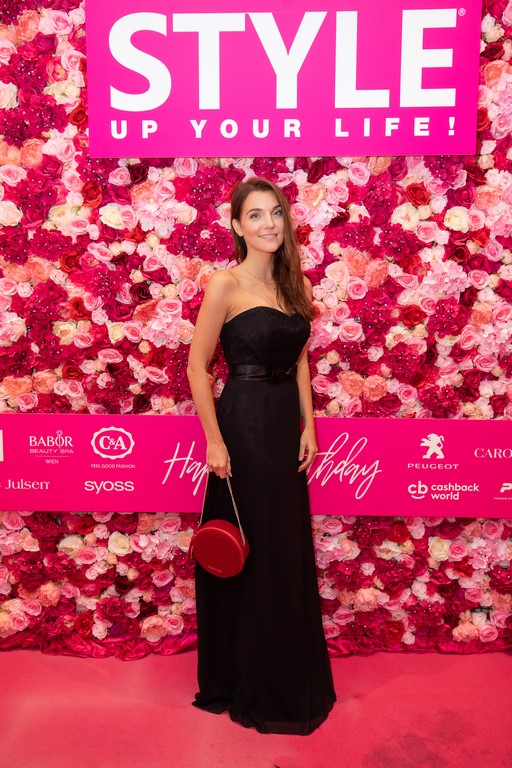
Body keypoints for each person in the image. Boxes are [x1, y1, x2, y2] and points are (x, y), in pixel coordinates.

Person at [186, 176, 336, 735]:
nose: (269, 223)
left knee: (281, 547)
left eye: (275, 213)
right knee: (250, 550)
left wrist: (309, 426)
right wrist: (214, 440)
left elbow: (300, 360)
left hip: (282, 426)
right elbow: (196, 366)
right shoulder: (225, 283)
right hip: (243, 424)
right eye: (255, 215)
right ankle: (244, 676)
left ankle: (285, 671)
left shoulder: (297, 283)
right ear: (237, 225)